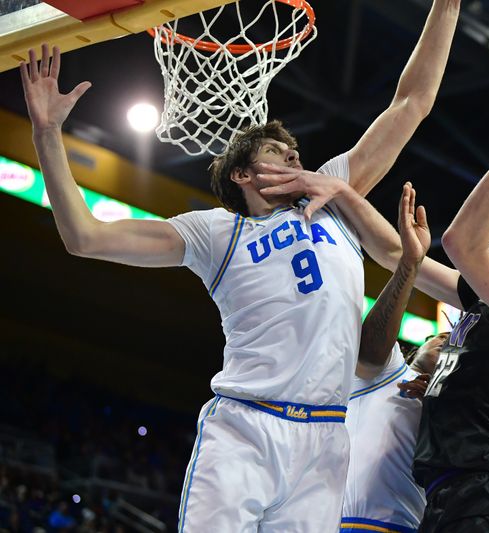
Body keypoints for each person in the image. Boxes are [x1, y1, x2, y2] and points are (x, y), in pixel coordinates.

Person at [18, 1, 461, 530]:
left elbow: (412, 102)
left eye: (297, 153)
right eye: (281, 152)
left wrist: (447, 6)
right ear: (245, 176)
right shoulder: (216, 233)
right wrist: (46, 134)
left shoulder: (333, 200)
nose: (298, 160)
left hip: (325, 439)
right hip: (246, 429)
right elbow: (84, 238)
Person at [257, 71, 489, 533]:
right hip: (451, 501)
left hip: (487, 503)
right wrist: (342, 192)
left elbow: (463, 241)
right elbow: (397, 254)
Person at [341, 183, 449, 533]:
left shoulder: (454, 410)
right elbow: (371, 348)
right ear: (419, 347)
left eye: (458, 345)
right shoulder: (387, 375)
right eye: (444, 336)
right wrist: (409, 265)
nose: (449, 342)